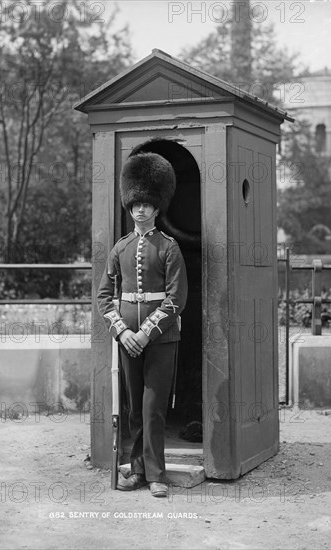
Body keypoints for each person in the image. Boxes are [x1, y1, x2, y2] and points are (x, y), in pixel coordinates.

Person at [97, 152, 188, 498]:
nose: (140, 210)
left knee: (153, 409)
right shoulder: (120, 248)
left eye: (147, 204)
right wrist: (122, 331)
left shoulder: (169, 248)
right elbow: (105, 296)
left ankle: (157, 474)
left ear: (156, 206)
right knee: (134, 408)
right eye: (135, 204)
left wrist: (145, 332)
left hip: (161, 340)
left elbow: (176, 299)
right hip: (127, 340)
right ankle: (135, 470)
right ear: (129, 204)